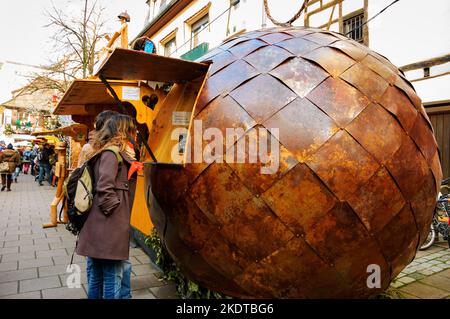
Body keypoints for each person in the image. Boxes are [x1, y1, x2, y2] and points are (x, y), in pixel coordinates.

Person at [76, 114, 137, 299]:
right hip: (108, 224)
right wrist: (117, 213)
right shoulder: (112, 153)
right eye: (130, 128)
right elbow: (104, 188)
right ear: (121, 129)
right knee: (111, 277)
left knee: (96, 275)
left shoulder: (104, 151)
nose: (133, 132)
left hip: (99, 223)